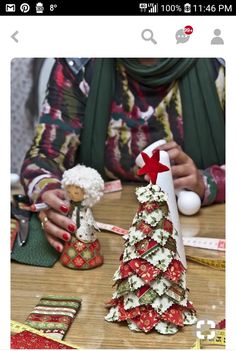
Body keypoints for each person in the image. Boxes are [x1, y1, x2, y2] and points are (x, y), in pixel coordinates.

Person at [21, 58, 225, 252]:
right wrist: (49, 193)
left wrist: (207, 182)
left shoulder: (220, 62)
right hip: (103, 234)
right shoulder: (78, 63)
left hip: (201, 229)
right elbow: (43, 156)